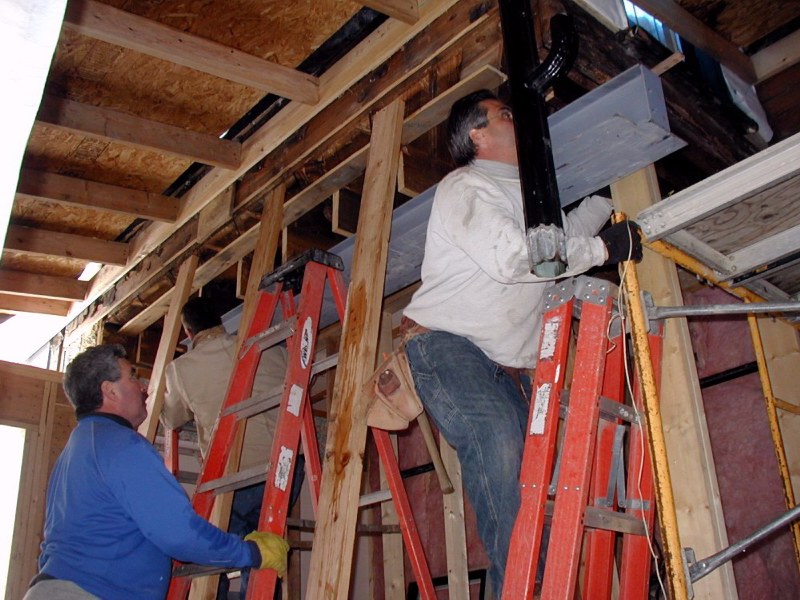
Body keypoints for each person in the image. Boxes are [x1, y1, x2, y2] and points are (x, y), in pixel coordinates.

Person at [401, 89, 641, 597]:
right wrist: (603, 249)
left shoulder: (524, 199)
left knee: (542, 478)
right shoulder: (466, 187)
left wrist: (601, 202)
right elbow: (517, 260)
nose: (517, 120)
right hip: (448, 347)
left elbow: (550, 246)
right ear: (477, 135)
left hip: (507, 362)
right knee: (500, 441)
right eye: (505, 114)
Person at [25, 344, 288, 600]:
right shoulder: (121, 445)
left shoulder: (77, 448)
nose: (143, 387)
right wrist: (251, 553)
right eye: (132, 376)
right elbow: (179, 533)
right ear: (110, 391)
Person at [160, 296, 295, 599]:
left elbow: (171, 418)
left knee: (217, 550)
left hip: (233, 478)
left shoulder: (181, 369)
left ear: (187, 331)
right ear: (221, 321)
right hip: (284, 470)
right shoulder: (265, 346)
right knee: (266, 552)